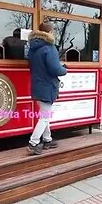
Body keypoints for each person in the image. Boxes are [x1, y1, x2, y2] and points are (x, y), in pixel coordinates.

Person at [26, 22, 67, 155]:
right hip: (47, 86)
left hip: (36, 85)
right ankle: (33, 143)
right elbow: (55, 69)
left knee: (45, 114)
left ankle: (47, 140)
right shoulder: (49, 48)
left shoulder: (33, 48)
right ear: (50, 32)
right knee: (44, 117)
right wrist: (64, 69)